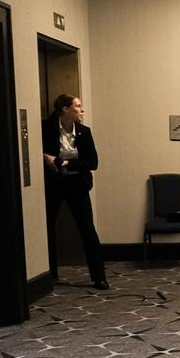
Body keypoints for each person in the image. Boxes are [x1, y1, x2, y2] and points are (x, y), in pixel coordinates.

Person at [42, 94, 109, 290]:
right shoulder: (45, 127)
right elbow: (31, 149)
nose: (82, 110)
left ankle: (99, 277)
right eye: (78, 106)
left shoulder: (83, 132)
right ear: (64, 109)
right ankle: (50, 274)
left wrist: (69, 163)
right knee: (47, 228)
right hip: (53, 183)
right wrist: (46, 157)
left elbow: (93, 162)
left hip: (77, 184)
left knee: (87, 228)